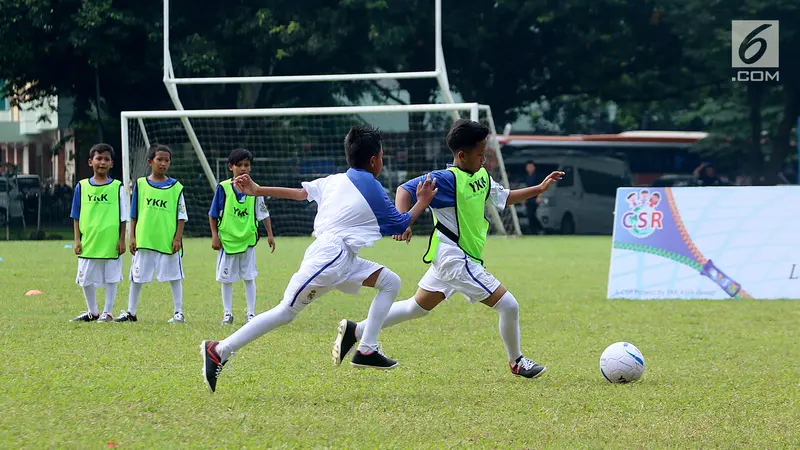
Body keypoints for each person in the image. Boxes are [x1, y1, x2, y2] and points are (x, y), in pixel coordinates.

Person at [200, 125, 438, 393]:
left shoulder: (333, 179)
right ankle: (219, 350)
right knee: (286, 311)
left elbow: (301, 193)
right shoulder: (372, 186)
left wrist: (257, 189)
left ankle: (368, 348)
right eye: (382, 156)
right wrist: (423, 200)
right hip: (331, 256)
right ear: (374, 160)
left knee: (390, 282)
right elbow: (399, 224)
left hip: (344, 257)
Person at [333, 119, 564, 379]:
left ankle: (356, 331)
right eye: (480, 154)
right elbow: (404, 189)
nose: (484, 159)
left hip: (457, 257)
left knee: (415, 308)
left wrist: (540, 188)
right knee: (509, 306)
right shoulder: (445, 179)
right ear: (462, 155)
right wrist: (402, 221)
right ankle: (517, 362)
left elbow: (505, 197)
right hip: (455, 258)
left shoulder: (481, 175)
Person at [114, 144, 188, 324]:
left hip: (167, 240)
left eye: (166, 160)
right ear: (150, 161)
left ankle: (178, 312)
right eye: (159, 159)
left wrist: (178, 237)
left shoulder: (176, 187)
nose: (163, 163)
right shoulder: (140, 184)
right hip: (145, 239)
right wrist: (132, 236)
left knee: (175, 276)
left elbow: (181, 215)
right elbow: (134, 213)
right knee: (137, 276)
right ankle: (131, 312)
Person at [209, 148, 275, 325]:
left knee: (249, 277)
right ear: (231, 167)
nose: (243, 168)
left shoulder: (255, 189)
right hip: (228, 242)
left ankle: (251, 313)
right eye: (239, 165)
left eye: (247, 165)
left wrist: (270, 234)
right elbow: (213, 214)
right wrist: (215, 236)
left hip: (247, 241)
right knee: (227, 279)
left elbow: (263, 213)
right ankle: (227, 313)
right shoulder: (223, 188)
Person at [70, 144, 128, 322]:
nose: (102, 162)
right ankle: (92, 311)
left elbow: (123, 217)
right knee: (85, 278)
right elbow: (76, 215)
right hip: (89, 241)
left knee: (111, 277)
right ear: (90, 162)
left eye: (106, 159)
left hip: (110, 241)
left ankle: (108, 312)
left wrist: (122, 240)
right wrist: (77, 240)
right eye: (98, 158)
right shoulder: (82, 186)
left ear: (111, 164)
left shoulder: (117, 187)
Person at [523, 160, 543, 234]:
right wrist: (523, 198)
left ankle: (540, 228)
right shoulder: (526, 177)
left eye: (530, 167)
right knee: (529, 215)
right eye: (528, 167)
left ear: (534, 167)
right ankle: (533, 231)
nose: (529, 168)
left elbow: (541, 188)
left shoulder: (538, 176)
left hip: (535, 198)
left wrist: (539, 197)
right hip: (528, 198)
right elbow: (525, 188)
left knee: (532, 214)